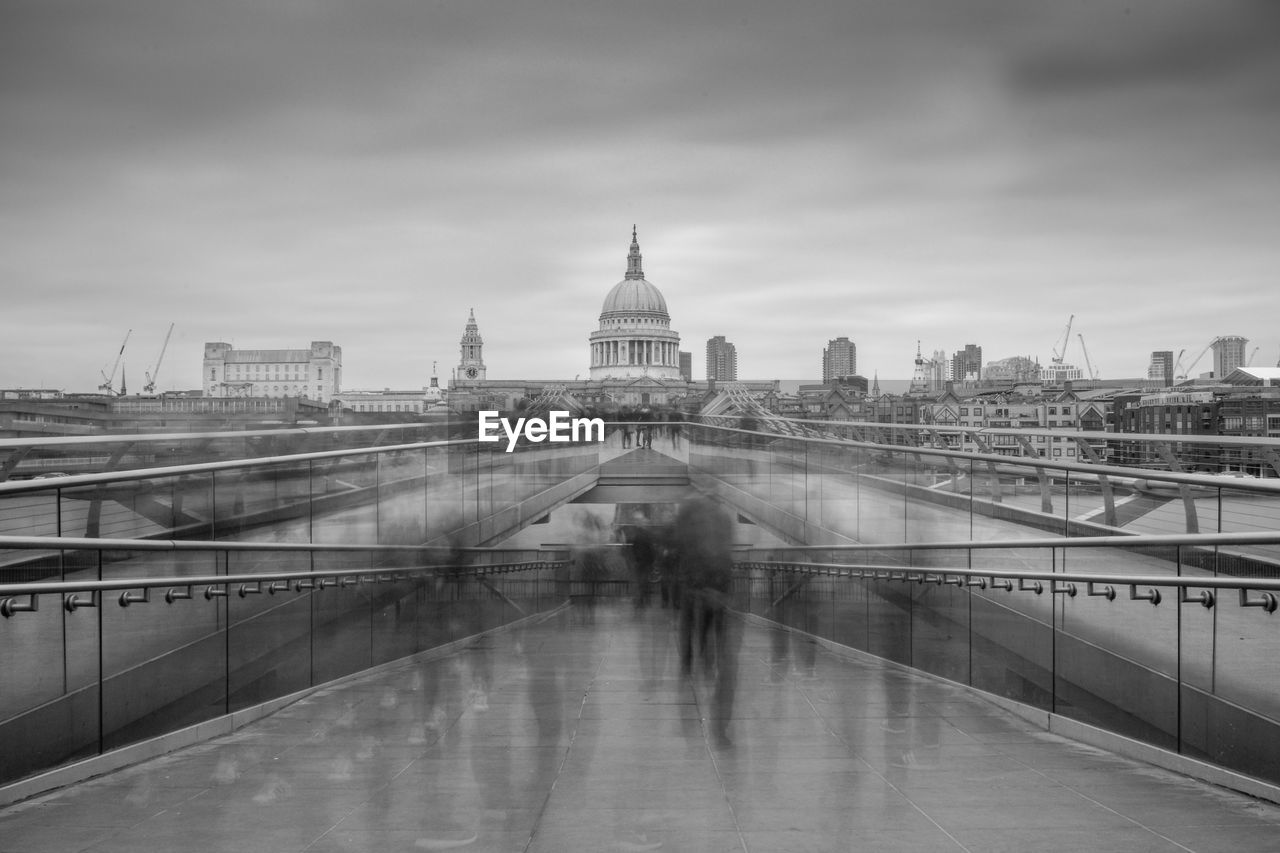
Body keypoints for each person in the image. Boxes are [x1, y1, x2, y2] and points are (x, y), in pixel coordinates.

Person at [670, 496, 740, 747]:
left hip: (700, 591)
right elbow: (725, 554)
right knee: (718, 640)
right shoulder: (721, 519)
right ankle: (720, 725)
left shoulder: (693, 520)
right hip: (715, 591)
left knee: (694, 627)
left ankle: (693, 661)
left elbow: (681, 551)